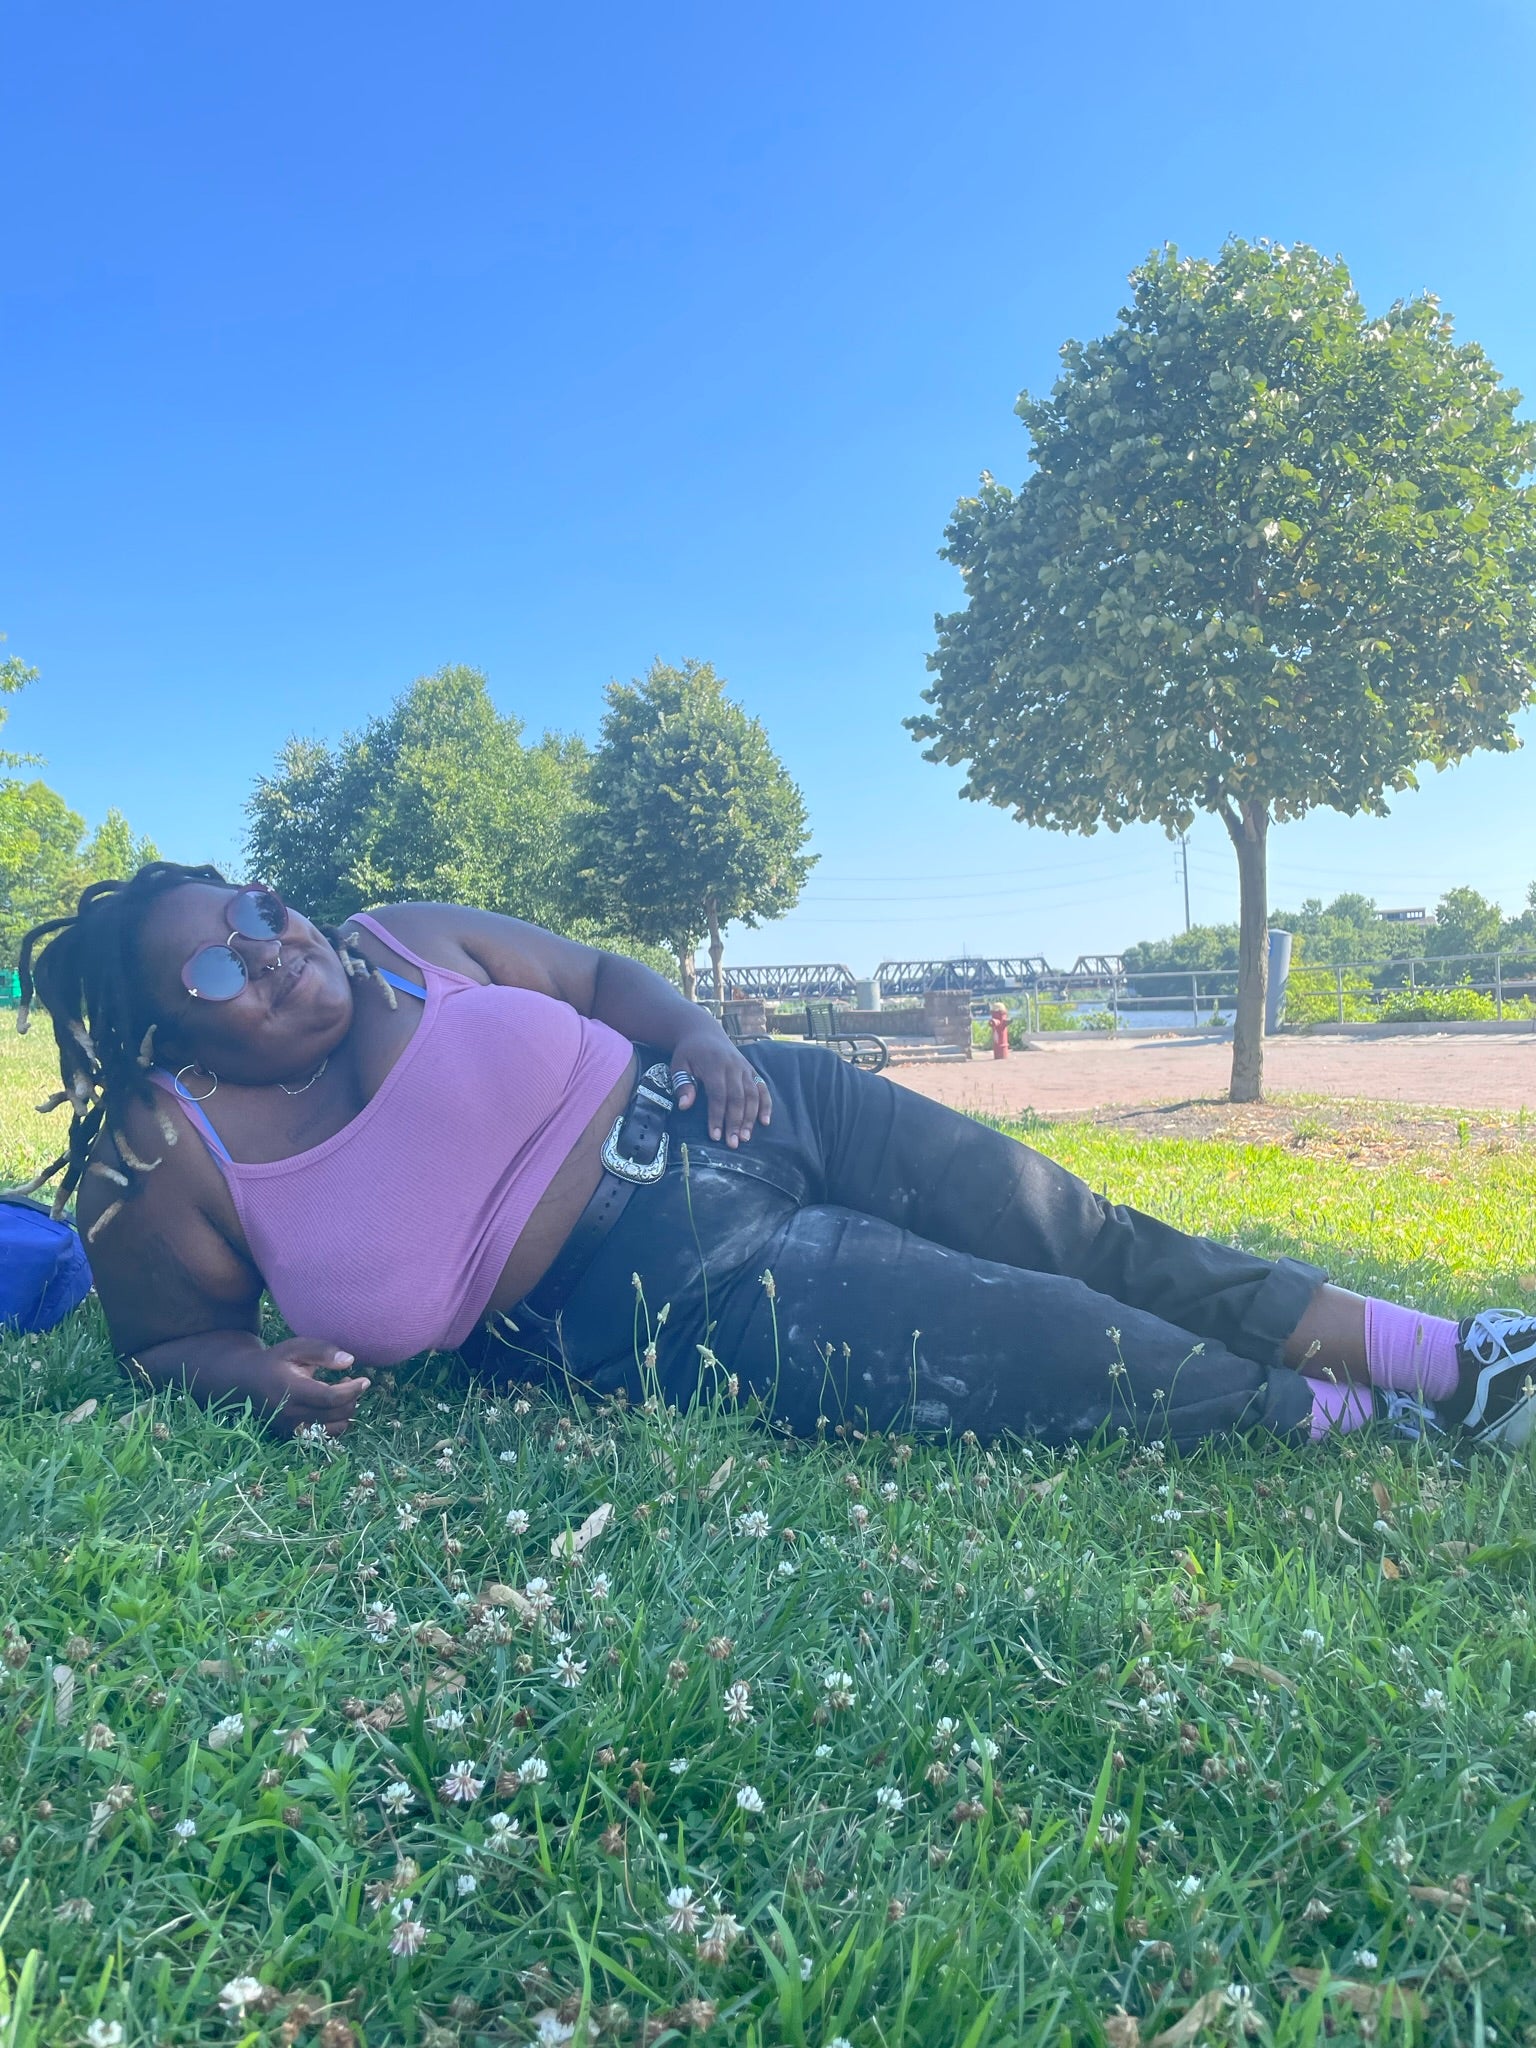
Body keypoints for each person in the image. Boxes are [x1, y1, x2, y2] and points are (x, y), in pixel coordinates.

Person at [14, 863, 1536, 1452]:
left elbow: (610, 976)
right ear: (169, 1038)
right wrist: (258, 1378)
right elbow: (169, 1342)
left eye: (254, 914)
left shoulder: (402, 940)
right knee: (1084, 1351)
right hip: (671, 1301)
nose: (266, 956)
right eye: (211, 972)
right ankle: (1368, 1423)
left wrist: (706, 1039)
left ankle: (1452, 1354)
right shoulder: (170, 1152)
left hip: (766, 1107)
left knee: (1076, 1226)